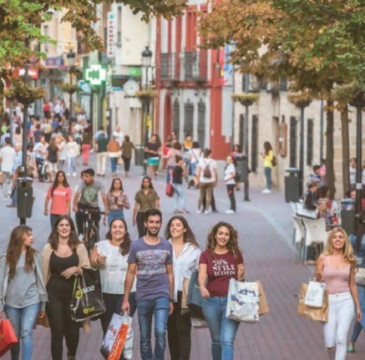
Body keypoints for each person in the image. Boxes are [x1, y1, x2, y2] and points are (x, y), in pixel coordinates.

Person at [122, 209, 174, 360]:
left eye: (157, 222)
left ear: (160, 224)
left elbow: (170, 273)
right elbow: (130, 273)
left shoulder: (166, 245)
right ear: (145, 224)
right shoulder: (136, 245)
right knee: (144, 337)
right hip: (143, 296)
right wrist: (126, 299)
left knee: (160, 332)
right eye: (151, 222)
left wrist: (170, 298)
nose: (154, 225)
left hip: (162, 295)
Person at [42, 216, 90, 360]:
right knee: (57, 331)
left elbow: (87, 268)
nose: (64, 228)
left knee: (72, 332)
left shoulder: (79, 247)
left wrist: (76, 268)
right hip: (53, 294)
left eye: (67, 225)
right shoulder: (49, 247)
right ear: (56, 228)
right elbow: (44, 273)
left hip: (74, 295)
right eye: (61, 225)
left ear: (71, 228)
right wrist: (41, 297)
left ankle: (71, 355)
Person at [198, 222, 245, 360]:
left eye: (226, 234)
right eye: (220, 233)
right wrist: (202, 286)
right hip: (211, 302)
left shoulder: (236, 254)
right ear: (215, 235)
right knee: (217, 340)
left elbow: (241, 276)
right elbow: (202, 273)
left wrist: (241, 274)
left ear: (230, 237)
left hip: (232, 302)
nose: (223, 237)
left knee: (227, 340)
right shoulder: (206, 254)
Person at [0, 225, 47, 360]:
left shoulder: (35, 255)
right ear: (19, 237)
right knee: (14, 335)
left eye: (32, 234)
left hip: (31, 301)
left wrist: (42, 303)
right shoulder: (6, 258)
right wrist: (0, 306)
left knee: (26, 333)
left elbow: (40, 279)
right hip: (11, 302)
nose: (32, 238)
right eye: (28, 235)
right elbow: (1, 281)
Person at [314, 227, 362, 360]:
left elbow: (352, 284)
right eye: (335, 237)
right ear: (331, 240)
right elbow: (316, 283)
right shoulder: (323, 258)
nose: (338, 240)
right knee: (330, 343)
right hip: (327, 302)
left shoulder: (350, 259)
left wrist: (357, 306)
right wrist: (318, 276)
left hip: (345, 300)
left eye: (341, 237)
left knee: (341, 339)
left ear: (345, 241)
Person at [90, 219, 136, 338]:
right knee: (108, 332)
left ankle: (119, 356)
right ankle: (114, 356)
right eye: (114, 227)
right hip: (105, 294)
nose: (117, 229)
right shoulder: (100, 246)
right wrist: (98, 261)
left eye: (121, 227)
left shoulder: (133, 247)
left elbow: (136, 270)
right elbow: (92, 264)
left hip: (126, 294)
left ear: (125, 230)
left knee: (120, 333)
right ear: (110, 230)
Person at [165, 216, 200, 360]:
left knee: (184, 330)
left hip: (185, 294)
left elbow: (198, 273)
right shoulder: (163, 246)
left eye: (178, 225)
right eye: (172, 225)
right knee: (171, 331)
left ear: (185, 229)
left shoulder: (194, 250)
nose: (174, 227)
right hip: (166, 294)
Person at [73, 168, 109, 239]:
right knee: (78, 217)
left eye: (87, 176)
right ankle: (80, 233)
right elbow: (77, 194)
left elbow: (103, 196)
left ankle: (95, 236)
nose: (85, 178)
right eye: (84, 176)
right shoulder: (82, 184)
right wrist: (74, 205)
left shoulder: (99, 184)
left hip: (94, 206)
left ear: (92, 177)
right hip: (82, 205)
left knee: (96, 222)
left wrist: (106, 208)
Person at [348, 213, 365, 353]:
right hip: (361, 278)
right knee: (361, 310)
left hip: (358, 277)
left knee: (361, 311)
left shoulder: (353, 236)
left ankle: (352, 341)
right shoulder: (357, 237)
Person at [196, 148, 218, 214]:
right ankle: (206, 210)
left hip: (202, 180)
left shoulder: (201, 161)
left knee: (201, 195)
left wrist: (198, 180)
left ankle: (198, 209)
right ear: (209, 154)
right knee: (209, 195)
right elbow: (216, 172)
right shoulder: (213, 161)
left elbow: (199, 171)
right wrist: (216, 180)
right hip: (211, 180)